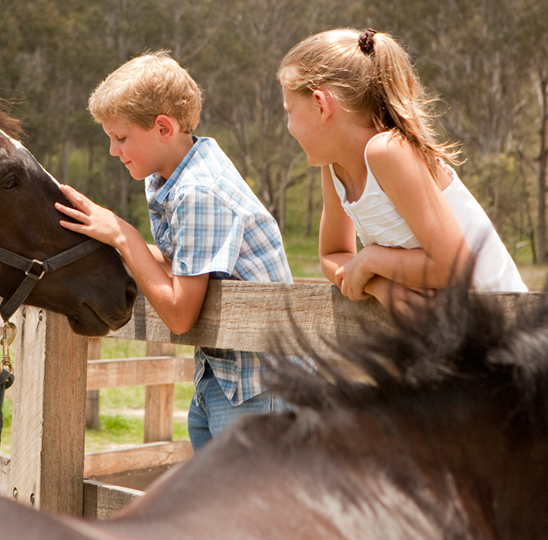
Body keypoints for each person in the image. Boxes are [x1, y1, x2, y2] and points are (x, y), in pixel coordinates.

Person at [55, 51, 292, 451]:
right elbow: (186, 262)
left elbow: (180, 315)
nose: (113, 150)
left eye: (121, 138)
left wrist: (124, 237)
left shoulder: (198, 190)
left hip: (258, 388)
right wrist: (105, 240)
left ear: (163, 127)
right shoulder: (178, 173)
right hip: (222, 376)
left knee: (251, 494)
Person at [278, 27, 527, 313]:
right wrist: (379, 285)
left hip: (500, 321)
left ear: (321, 105)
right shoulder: (335, 165)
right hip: (446, 329)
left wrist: (370, 260)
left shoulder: (387, 150)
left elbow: (454, 267)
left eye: (289, 111)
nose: (289, 127)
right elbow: (332, 255)